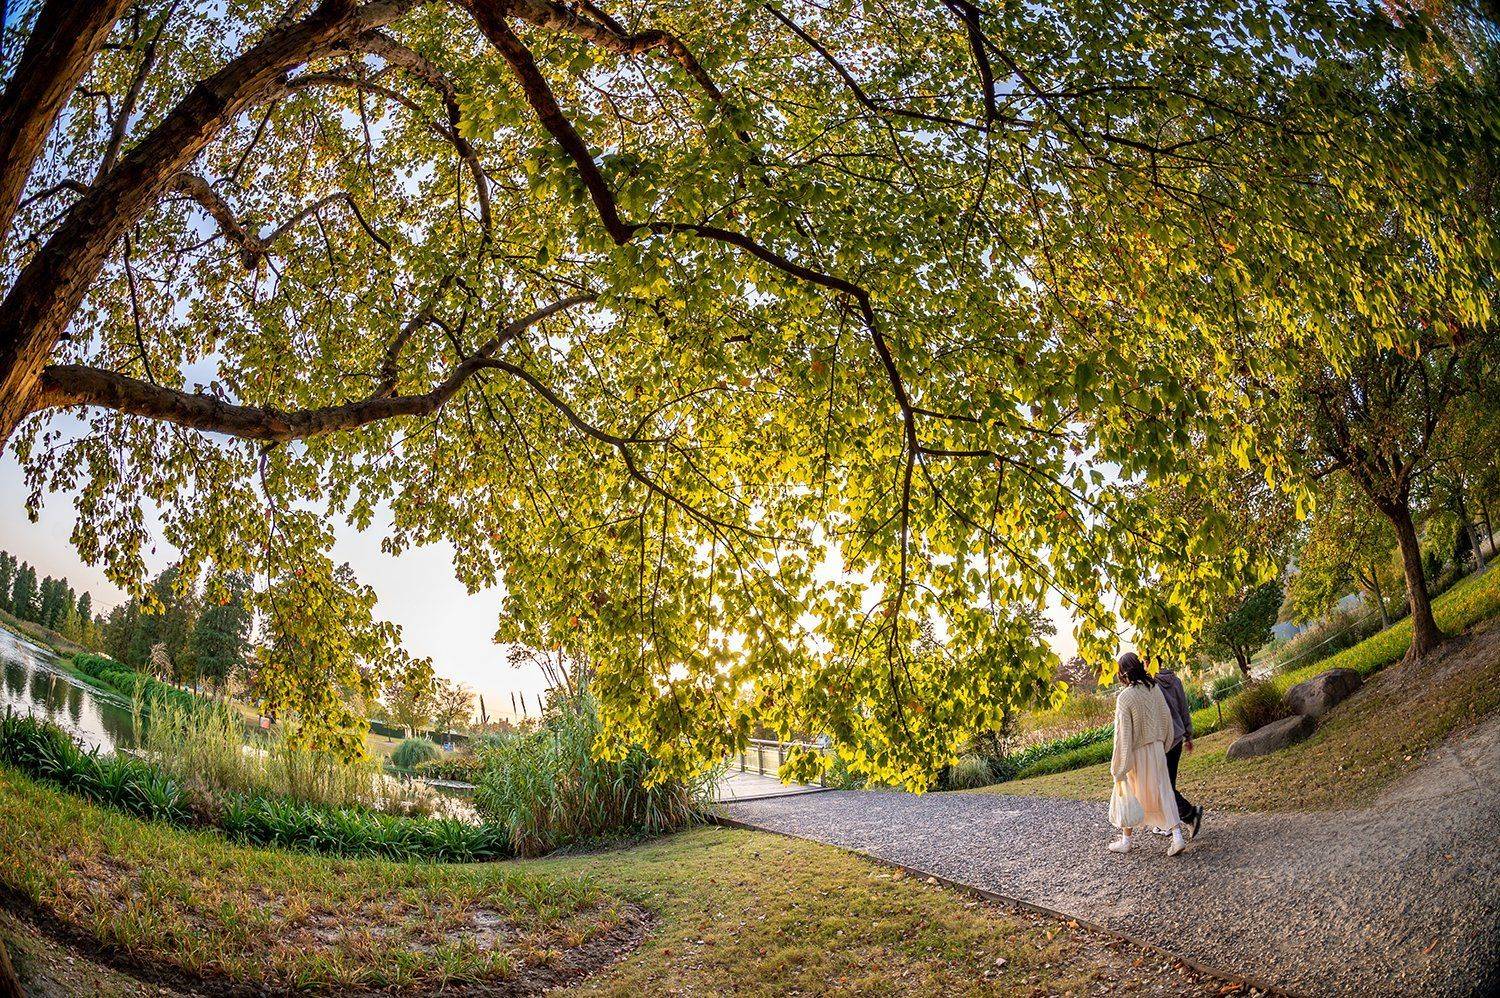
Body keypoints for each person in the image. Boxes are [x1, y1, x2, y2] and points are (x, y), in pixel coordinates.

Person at [1107, 651, 1188, 856]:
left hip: (1136, 752)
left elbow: (1122, 734)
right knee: (1164, 790)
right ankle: (1177, 837)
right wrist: (1164, 744)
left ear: (1123, 673)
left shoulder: (1125, 697)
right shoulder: (1154, 689)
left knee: (1129, 793)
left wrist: (1119, 766)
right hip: (1158, 748)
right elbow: (1166, 719)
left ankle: (1126, 840)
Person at [1155, 661, 1204, 839]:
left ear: (1149, 662)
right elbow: (1184, 708)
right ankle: (1168, 822)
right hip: (1177, 738)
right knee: (1168, 783)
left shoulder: (1152, 684)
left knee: (1164, 786)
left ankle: (1190, 814)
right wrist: (1188, 735)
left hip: (1164, 740)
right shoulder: (1175, 680)